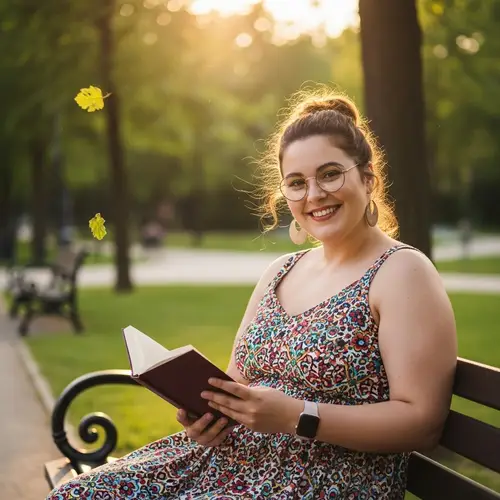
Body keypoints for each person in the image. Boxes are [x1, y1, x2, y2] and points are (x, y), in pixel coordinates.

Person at [47, 90, 457, 499]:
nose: (313, 195)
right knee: (76, 495)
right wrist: (208, 417)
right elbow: (237, 383)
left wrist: (297, 417)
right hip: (223, 463)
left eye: (330, 174)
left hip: (319, 483)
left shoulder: (402, 272)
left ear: (368, 177)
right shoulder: (280, 272)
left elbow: (422, 422)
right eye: (297, 183)